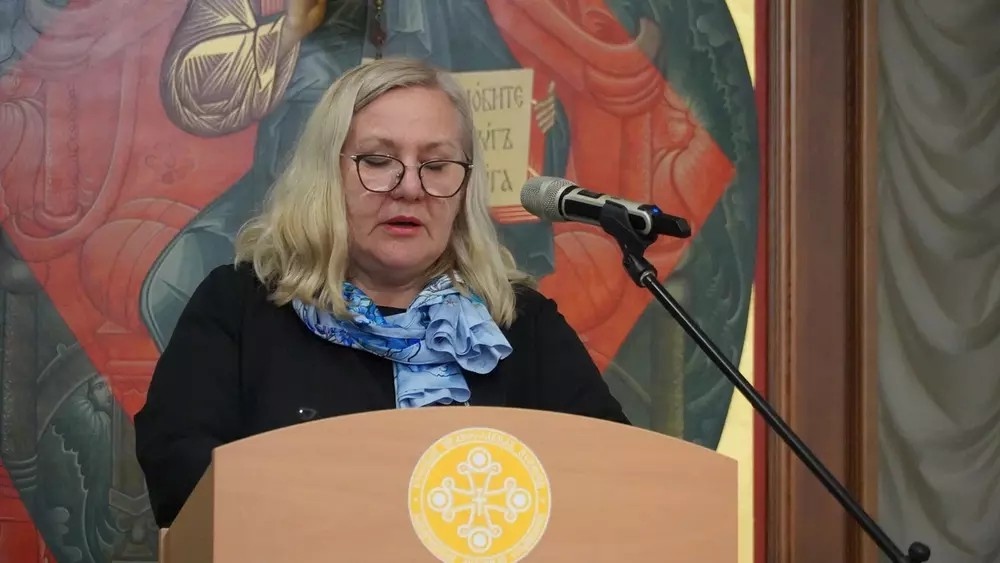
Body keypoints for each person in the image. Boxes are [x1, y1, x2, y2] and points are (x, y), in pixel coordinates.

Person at [133, 57, 629, 529]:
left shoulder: (521, 323)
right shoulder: (239, 306)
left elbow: (617, 478)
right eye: (377, 160)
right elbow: (181, 477)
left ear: (464, 189)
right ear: (327, 174)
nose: (409, 187)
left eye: (437, 164)